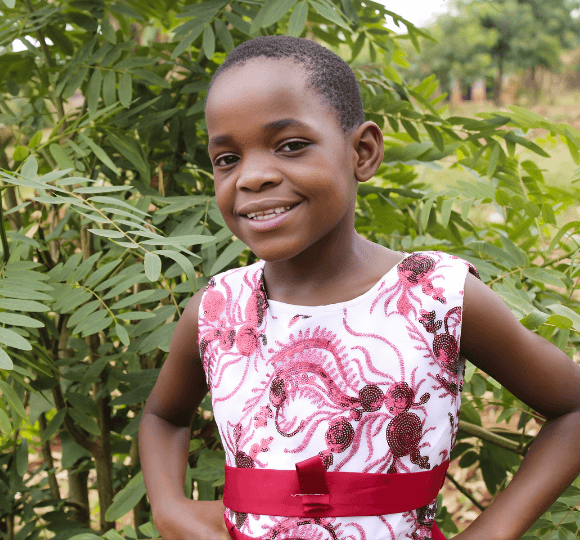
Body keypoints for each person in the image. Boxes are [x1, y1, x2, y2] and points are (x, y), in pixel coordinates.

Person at [138, 35, 580, 540]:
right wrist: (170, 509)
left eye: (291, 145)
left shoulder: (435, 298)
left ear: (362, 153)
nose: (253, 177)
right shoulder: (218, 312)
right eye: (227, 159)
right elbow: (162, 417)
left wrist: (492, 533)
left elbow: (571, 409)